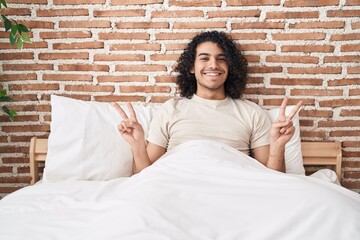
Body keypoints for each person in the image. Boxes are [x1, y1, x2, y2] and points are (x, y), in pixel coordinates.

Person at [113, 31, 302, 174]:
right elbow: (145, 178)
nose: (213, 65)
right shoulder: (171, 109)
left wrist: (278, 146)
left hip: (232, 187)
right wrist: (137, 146)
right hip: (178, 184)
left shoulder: (251, 112)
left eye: (221, 59)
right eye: (204, 58)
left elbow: (272, 181)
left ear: (230, 67)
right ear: (191, 67)